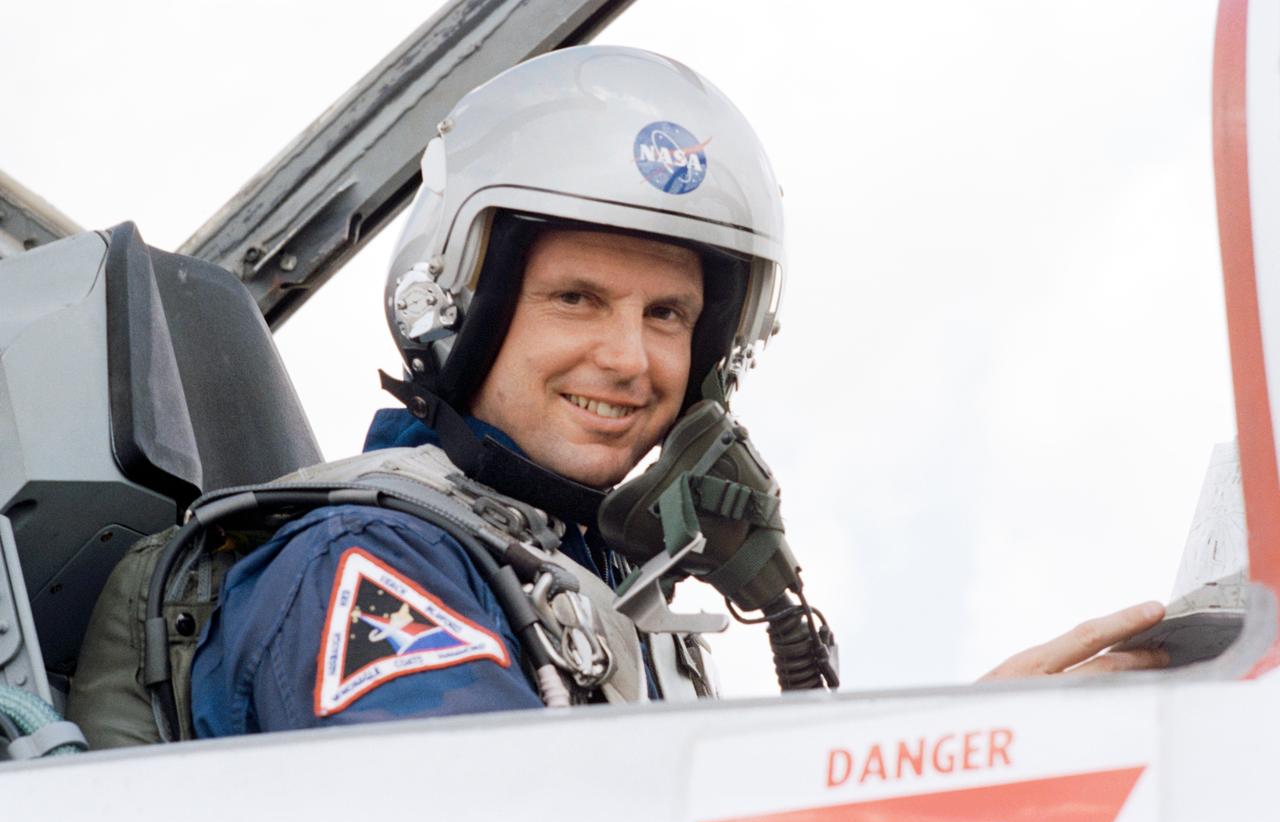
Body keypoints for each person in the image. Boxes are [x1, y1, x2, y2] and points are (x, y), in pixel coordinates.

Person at [72, 45, 1169, 746]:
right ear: (465, 306)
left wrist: (970, 751)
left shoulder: (579, 581)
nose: (628, 358)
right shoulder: (371, 567)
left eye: (666, 316)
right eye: (576, 298)